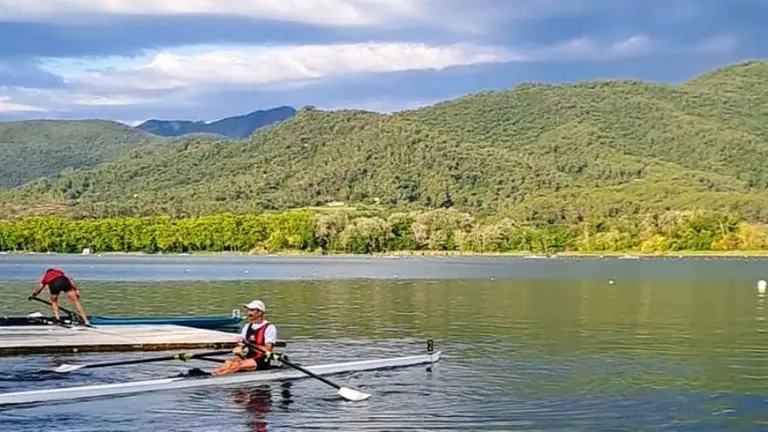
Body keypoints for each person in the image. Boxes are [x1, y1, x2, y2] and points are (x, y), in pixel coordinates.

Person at [212, 300, 278, 376]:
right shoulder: (247, 327)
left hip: (262, 360)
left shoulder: (269, 328)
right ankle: (212, 375)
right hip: (248, 357)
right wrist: (239, 348)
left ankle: (219, 379)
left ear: (260, 312)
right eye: (248, 310)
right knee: (228, 363)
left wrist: (249, 345)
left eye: (252, 310)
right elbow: (241, 342)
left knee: (236, 366)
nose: (248, 313)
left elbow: (268, 349)